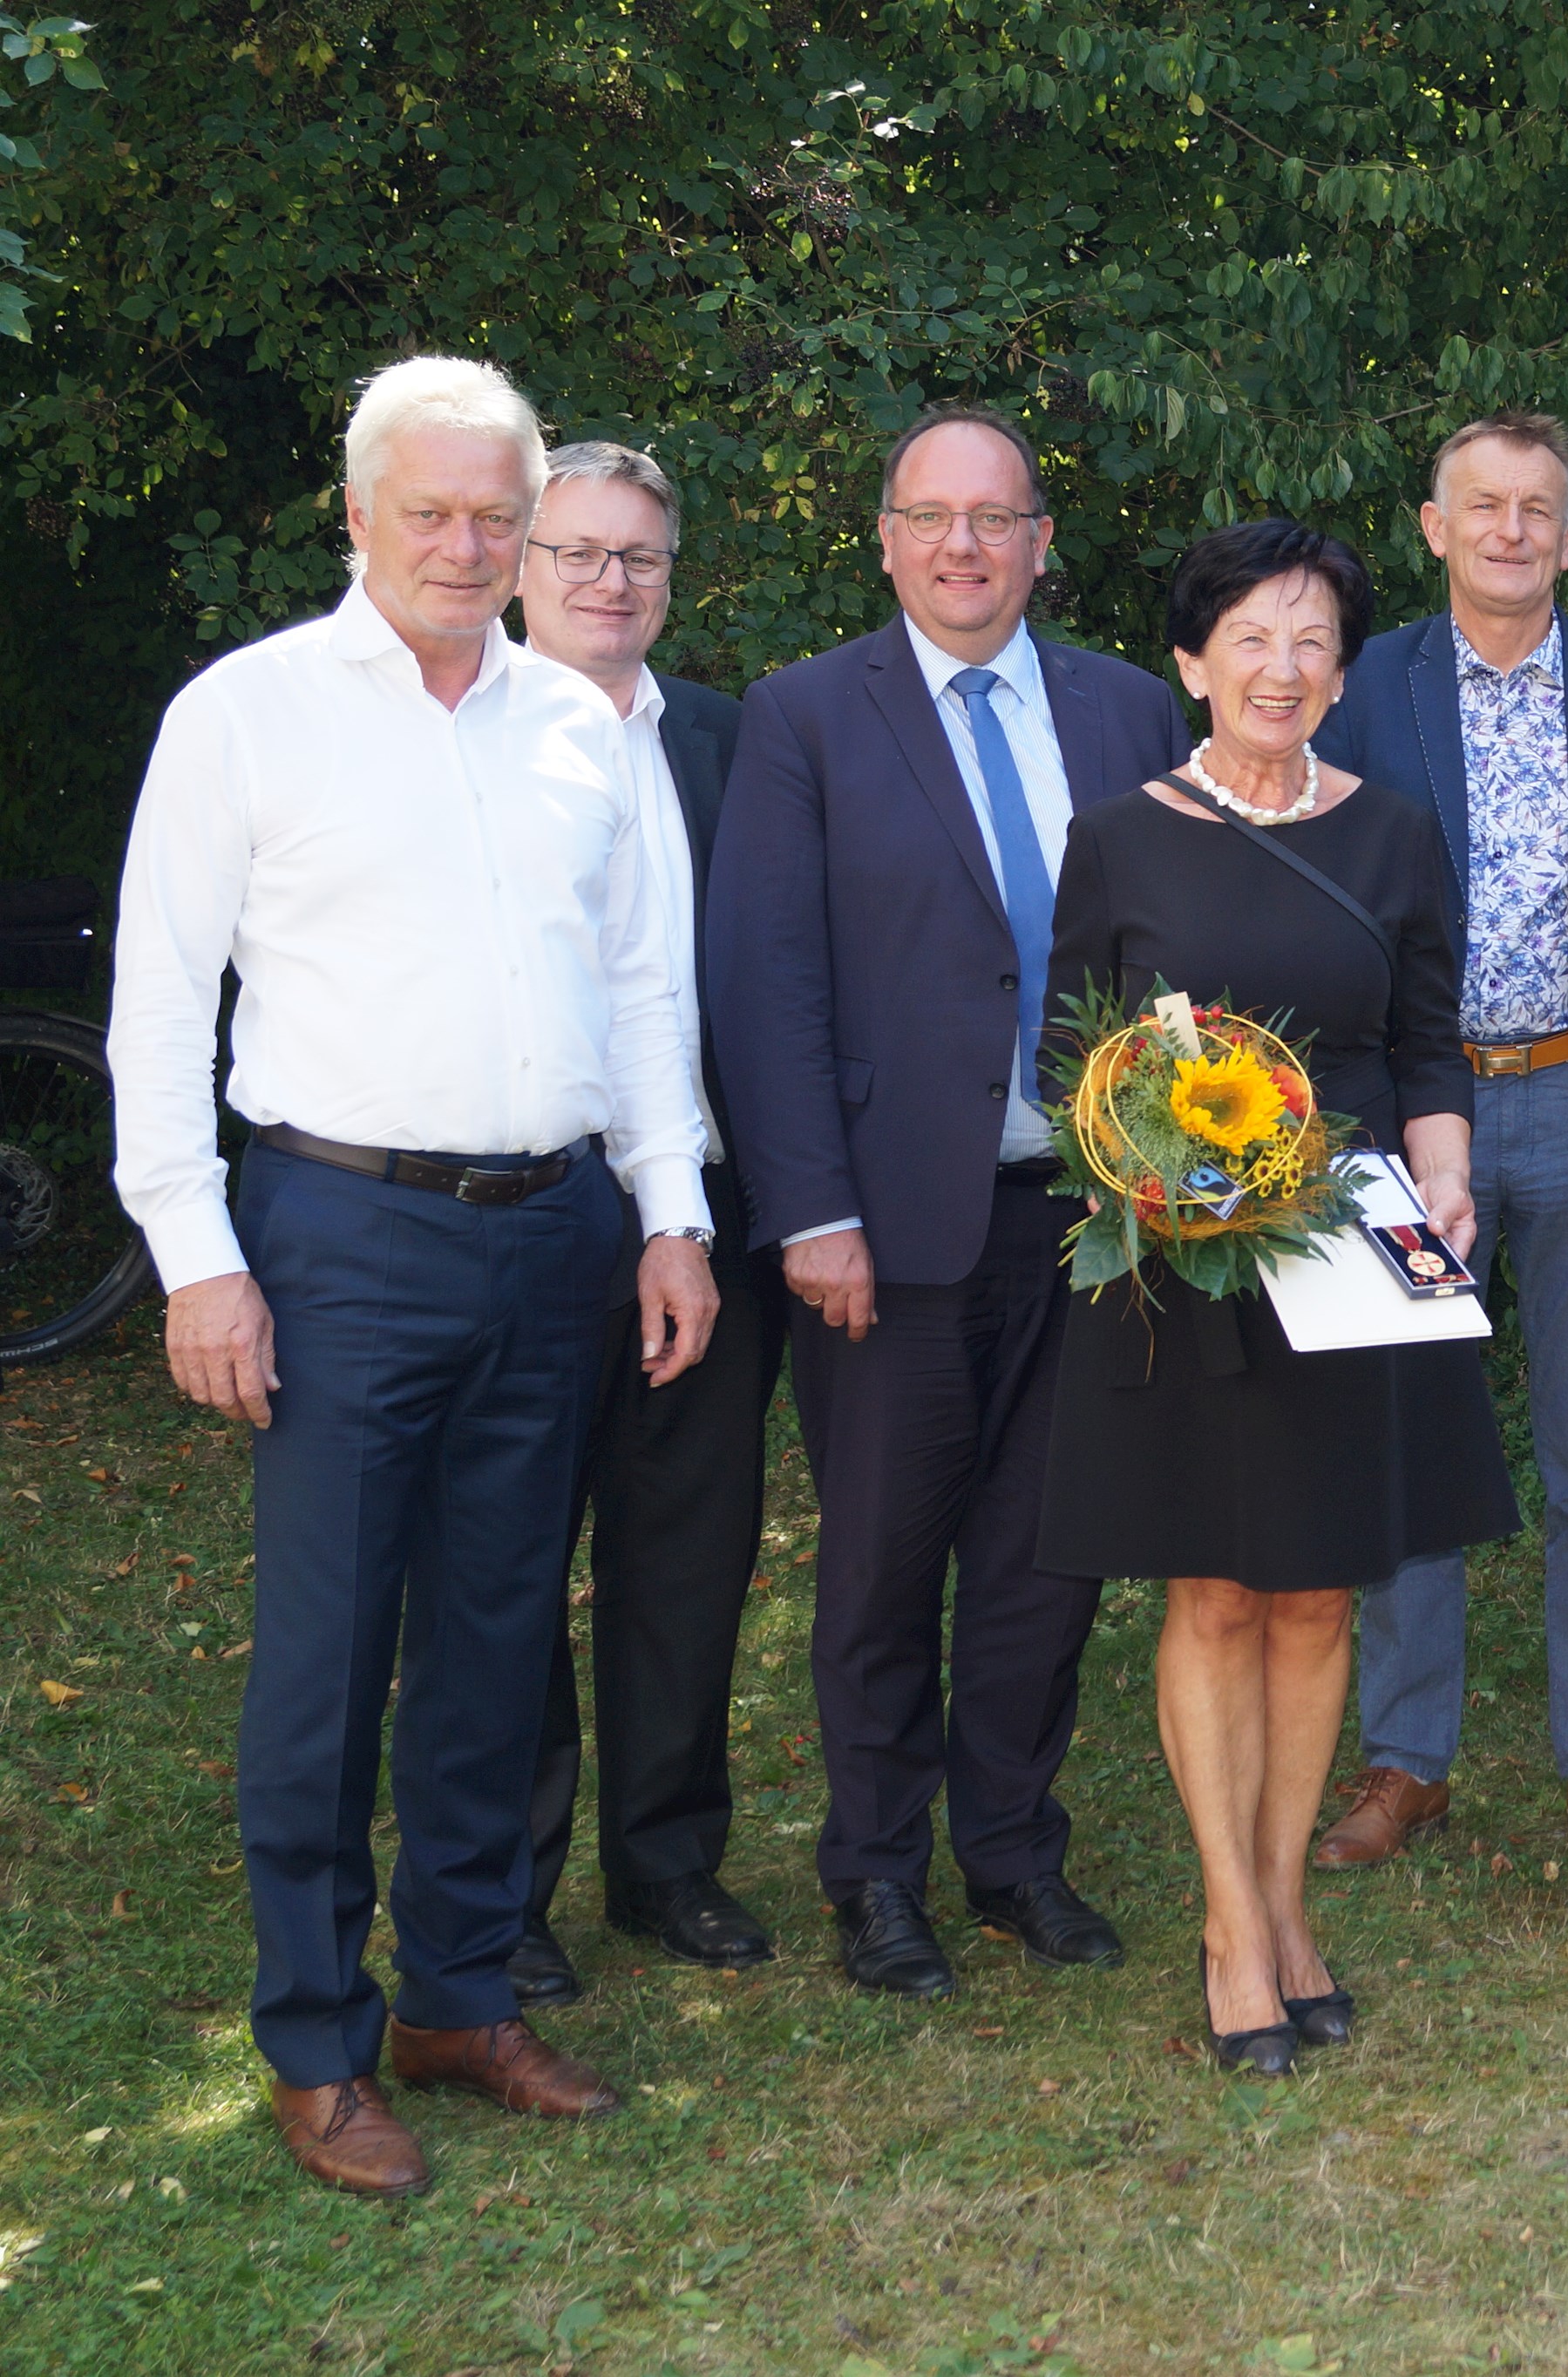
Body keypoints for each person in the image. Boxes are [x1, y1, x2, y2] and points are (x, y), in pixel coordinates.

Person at [110, 357, 716, 2197]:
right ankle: (316, 2031)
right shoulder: (249, 713)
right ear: (356, 515)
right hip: (338, 1236)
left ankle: (459, 1992)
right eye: (429, 510)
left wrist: (668, 1204)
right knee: (326, 1651)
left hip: (553, 1232)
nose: (465, 544)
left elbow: (639, 986)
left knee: (494, 1632)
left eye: (493, 514)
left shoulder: (578, 722)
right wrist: (196, 1257)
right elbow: (159, 1002)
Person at [708, 405, 1191, 2000]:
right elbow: (765, 984)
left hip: (1090, 1215)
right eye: (934, 517)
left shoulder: (1124, 710)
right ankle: (874, 1872)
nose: (966, 547)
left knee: (1046, 1561)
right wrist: (809, 1214)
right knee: (883, 1562)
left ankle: (1011, 1853)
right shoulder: (806, 718)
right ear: (889, 537)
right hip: (889, 1228)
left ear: (1043, 541)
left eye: (996, 518)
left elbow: (1171, 954)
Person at [1038, 518, 1519, 2073]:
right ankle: (1233, 1921)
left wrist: (1445, 1175)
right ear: (1192, 659)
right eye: (1250, 636)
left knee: (1320, 1589)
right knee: (1216, 1587)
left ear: (1340, 670)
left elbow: (1431, 1037)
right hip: (1187, 1262)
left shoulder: (1392, 828)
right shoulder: (1120, 834)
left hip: (1355, 1249)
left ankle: (1290, 1900)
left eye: (1311, 640)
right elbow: (1073, 1059)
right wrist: (1152, 1176)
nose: (1281, 666)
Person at [1306, 412, 1568, 1876]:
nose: (1509, 530)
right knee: (1411, 1444)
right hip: (1416, 1114)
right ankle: (1409, 1757)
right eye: (1482, 505)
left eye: (1537, 507)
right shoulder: (1359, 695)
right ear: (1432, 525)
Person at [506, 438, 794, 2005]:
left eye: (639, 557)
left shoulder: (738, 745)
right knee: (512, 1551)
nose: (610, 582)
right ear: (525, 566)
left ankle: (668, 1861)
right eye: (580, 553)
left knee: (687, 1547)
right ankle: (513, 1877)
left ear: (673, 578)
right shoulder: (471, 739)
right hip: (538, 1203)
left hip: (716, 1204)